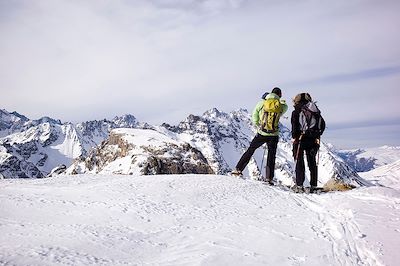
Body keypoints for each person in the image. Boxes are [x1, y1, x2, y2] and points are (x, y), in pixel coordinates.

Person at [232, 87, 288, 184]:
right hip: (274, 134)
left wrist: (258, 124)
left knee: (250, 150)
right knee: (271, 155)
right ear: (280, 94)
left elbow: (254, 115)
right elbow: (285, 108)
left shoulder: (262, 103)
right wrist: (281, 100)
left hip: (262, 132)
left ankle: (238, 169)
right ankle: (269, 178)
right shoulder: (279, 105)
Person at [291, 93, 325, 193]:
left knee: (299, 162)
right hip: (313, 139)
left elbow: (294, 129)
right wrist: (316, 135)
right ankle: (313, 185)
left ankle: (299, 185)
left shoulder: (296, 111)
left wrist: (295, 136)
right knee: (312, 162)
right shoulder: (315, 110)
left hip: (300, 139)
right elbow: (322, 125)